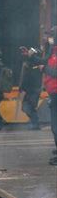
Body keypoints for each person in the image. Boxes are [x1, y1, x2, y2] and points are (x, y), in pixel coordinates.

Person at [19, 47, 43, 130]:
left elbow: (31, 77)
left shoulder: (37, 64)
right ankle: (34, 122)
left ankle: (35, 123)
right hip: (29, 89)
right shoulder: (28, 63)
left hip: (34, 89)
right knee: (25, 107)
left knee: (30, 106)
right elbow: (25, 77)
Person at [42, 34, 57, 165]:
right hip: (53, 93)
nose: (48, 39)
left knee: (56, 126)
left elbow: (54, 72)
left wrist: (44, 68)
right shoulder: (52, 52)